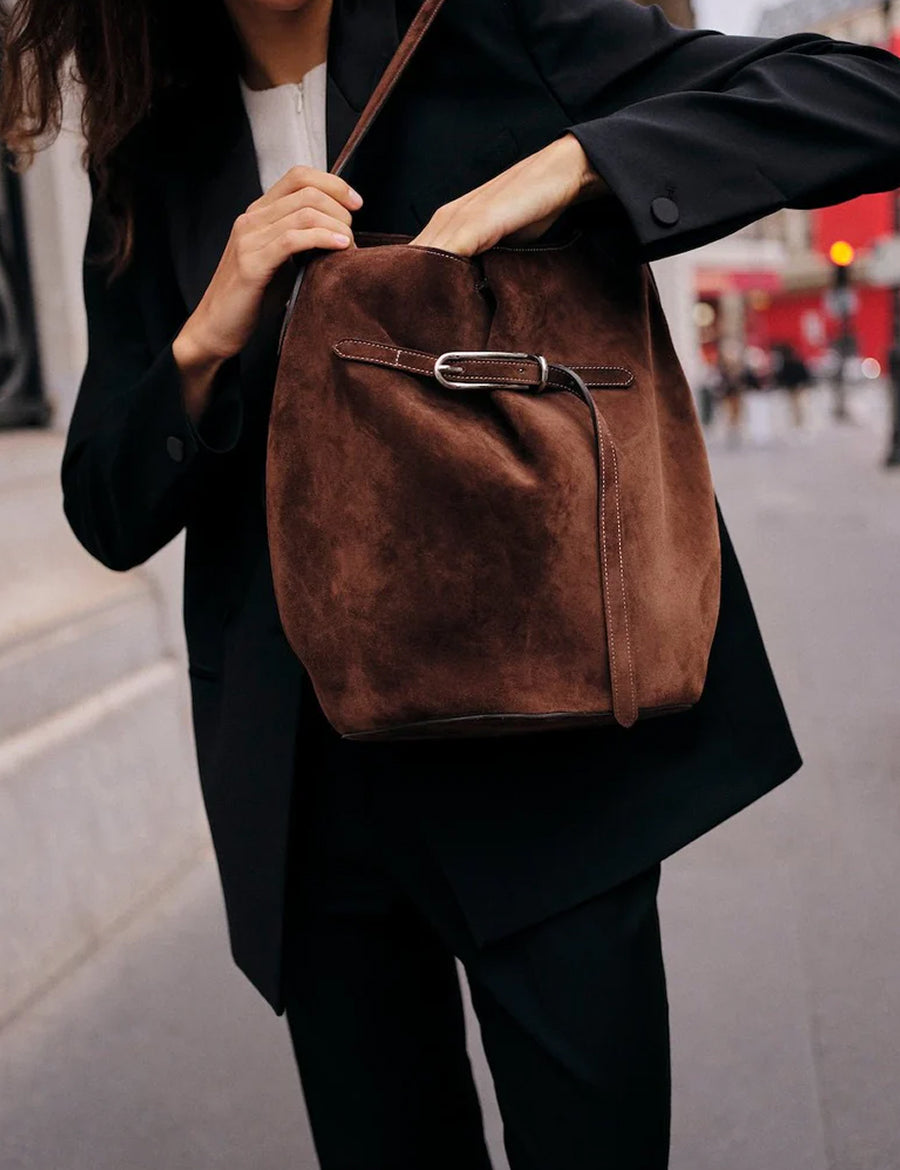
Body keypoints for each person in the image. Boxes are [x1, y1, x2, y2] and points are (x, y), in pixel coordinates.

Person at [3, 1, 900, 1165]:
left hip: (545, 741)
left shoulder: (495, 26)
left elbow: (864, 97)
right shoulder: (152, 146)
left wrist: (575, 164)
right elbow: (105, 510)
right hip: (304, 784)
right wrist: (205, 337)